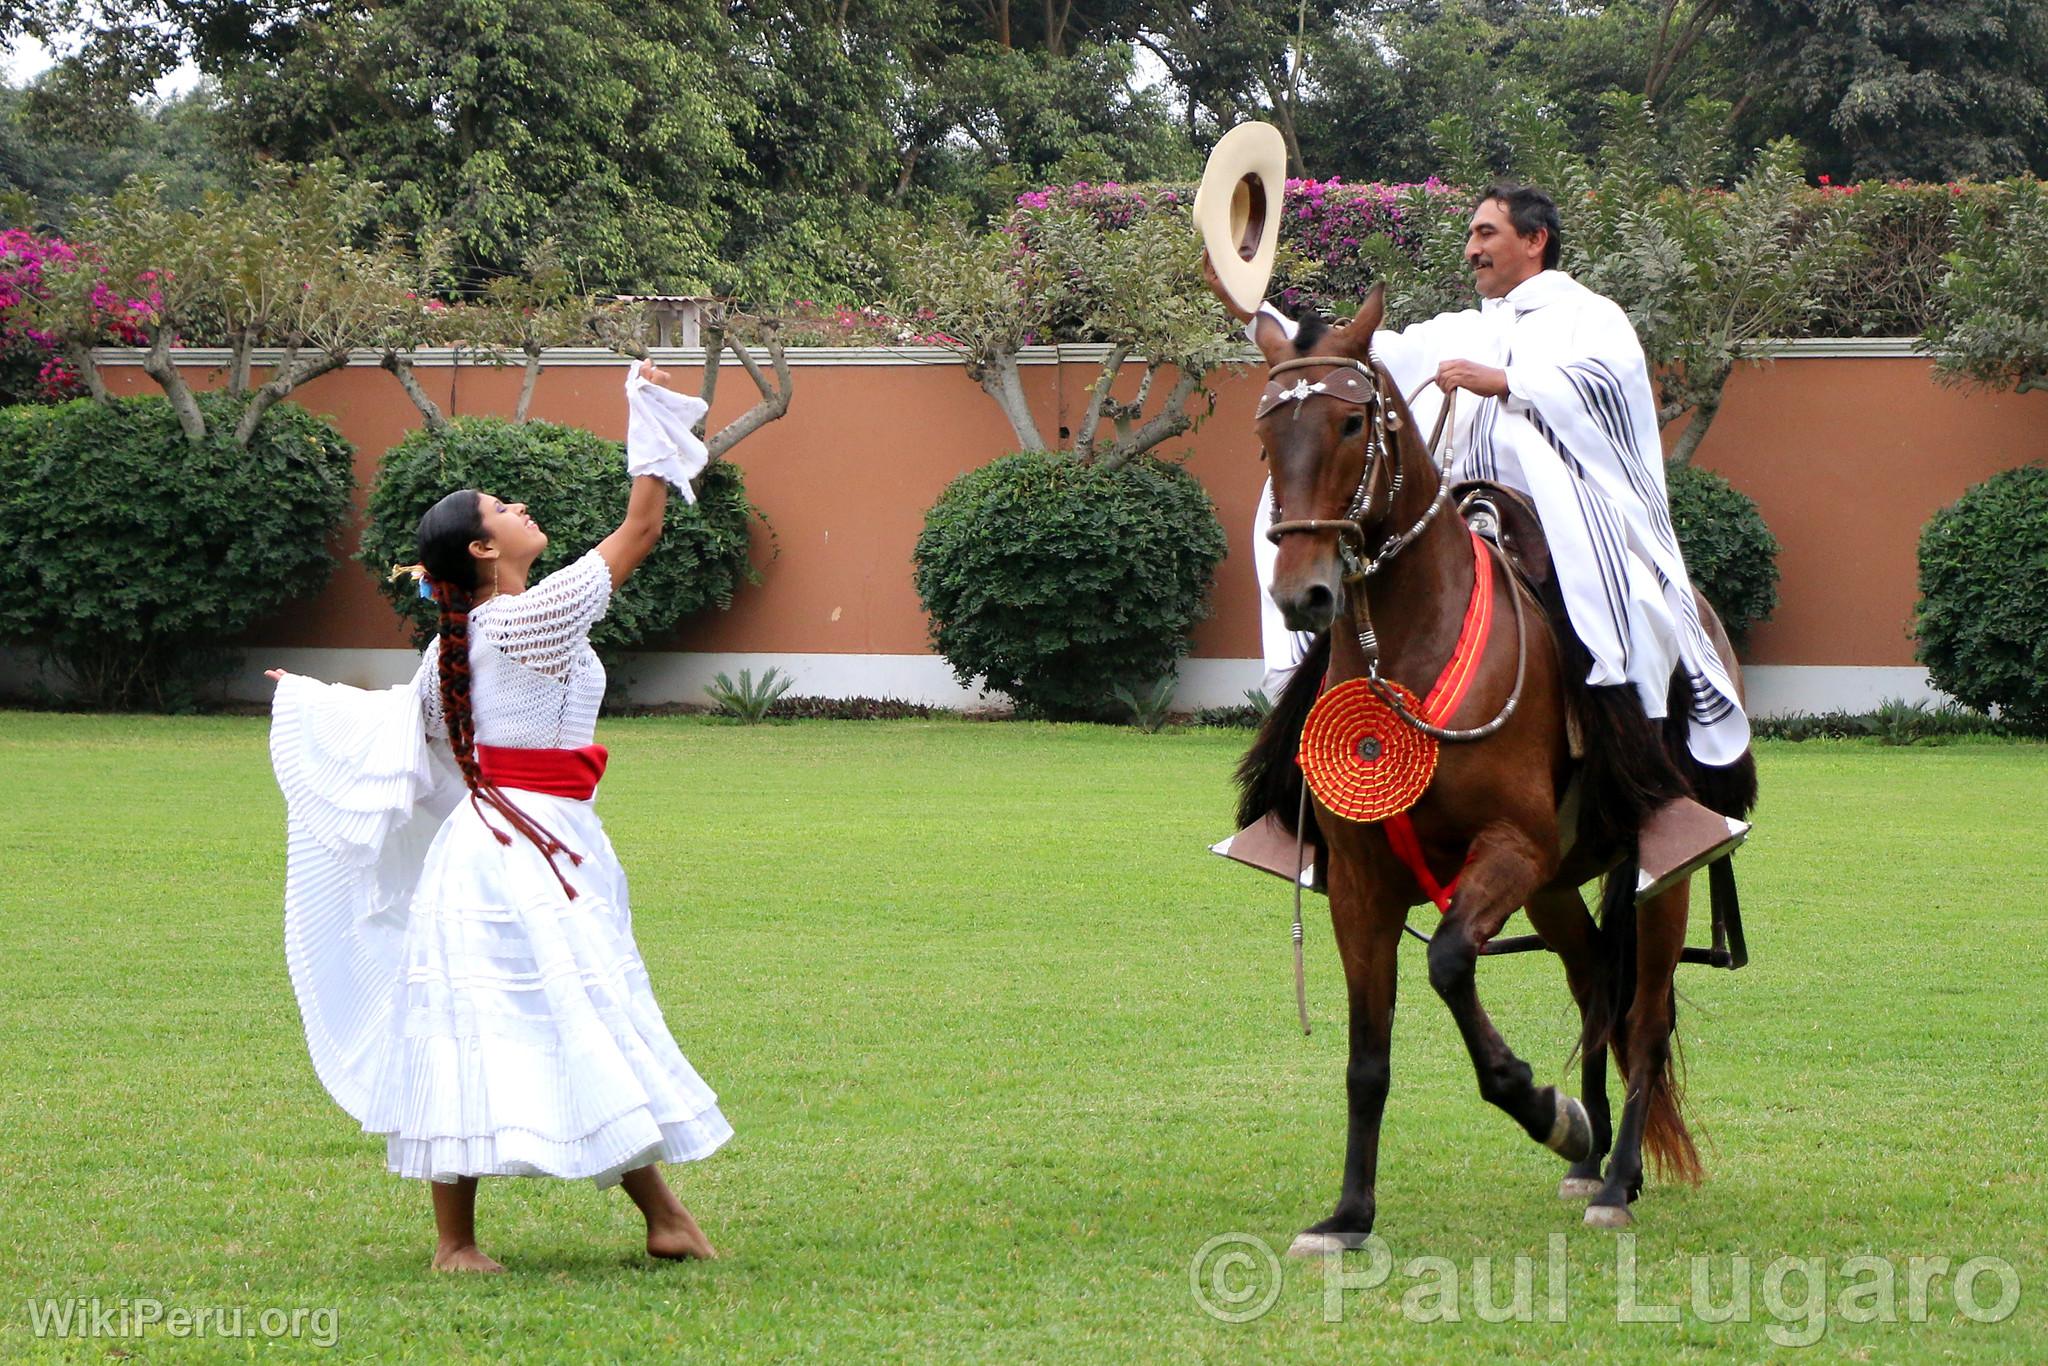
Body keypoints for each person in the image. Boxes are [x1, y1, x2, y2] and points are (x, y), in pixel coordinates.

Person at [267, 360, 730, 1272]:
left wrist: (316, 699)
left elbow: (411, 732)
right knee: (544, 1010)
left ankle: (653, 1219)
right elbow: (641, 527)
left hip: (536, 842)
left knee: (540, 1012)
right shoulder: (520, 622)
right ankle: (469, 1243)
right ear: (482, 551)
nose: (521, 510)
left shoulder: (471, 636)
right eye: (504, 507)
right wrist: (644, 415)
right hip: (522, 849)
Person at [1220, 183, 1748, 767]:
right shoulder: (1456, 329)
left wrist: (1508, 381)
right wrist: (1252, 309)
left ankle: (1651, 797)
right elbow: (1353, 354)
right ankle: (1301, 785)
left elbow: (1606, 385)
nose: (1471, 248)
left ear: (1535, 239)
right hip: (1458, 514)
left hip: (1563, 522)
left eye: (1485, 233)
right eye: (1471, 235)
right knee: (1350, 589)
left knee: (1639, 609)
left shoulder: (1591, 318)